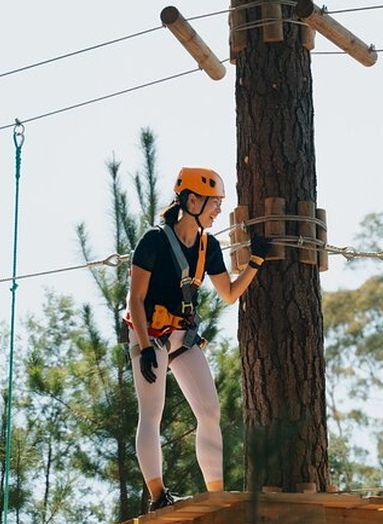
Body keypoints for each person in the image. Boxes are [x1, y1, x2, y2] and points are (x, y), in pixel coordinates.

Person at [125, 167, 270, 511]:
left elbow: (230, 293)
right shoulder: (153, 241)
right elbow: (135, 299)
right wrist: (145, 348)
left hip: (181, 334)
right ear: (191, 200)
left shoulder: (209, 246)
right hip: (150, 331)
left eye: (219, 202)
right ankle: (158, 496)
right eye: (214, 202)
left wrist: (256, 261)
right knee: (151, 412)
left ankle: (216, 495)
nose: (218, 209)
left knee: (209, 410)